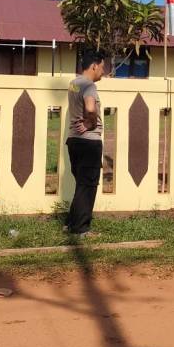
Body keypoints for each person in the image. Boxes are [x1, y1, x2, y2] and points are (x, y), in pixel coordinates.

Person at [65, 50, 106, 236]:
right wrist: (90, 122)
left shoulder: (74, 84)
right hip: (89, 143)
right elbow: (90, 107)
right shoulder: (89, 86)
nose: (103, 71)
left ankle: (71, 224)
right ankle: (81, 229)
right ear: (94, 66)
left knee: (81, 185)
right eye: (102, 67)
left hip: (74, 141)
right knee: (88, 186)